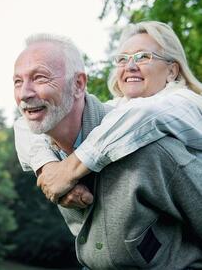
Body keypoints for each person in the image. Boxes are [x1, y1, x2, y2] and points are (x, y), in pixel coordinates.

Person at [13, 22, 202, 269]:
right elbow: (24, 126)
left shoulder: (182, 106)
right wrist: (48, 169)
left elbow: (145, 115)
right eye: (122, 59)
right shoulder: (114, 115)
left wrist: (70, 169)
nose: (130, 65)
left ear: (172, 71)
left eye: (143, 57)